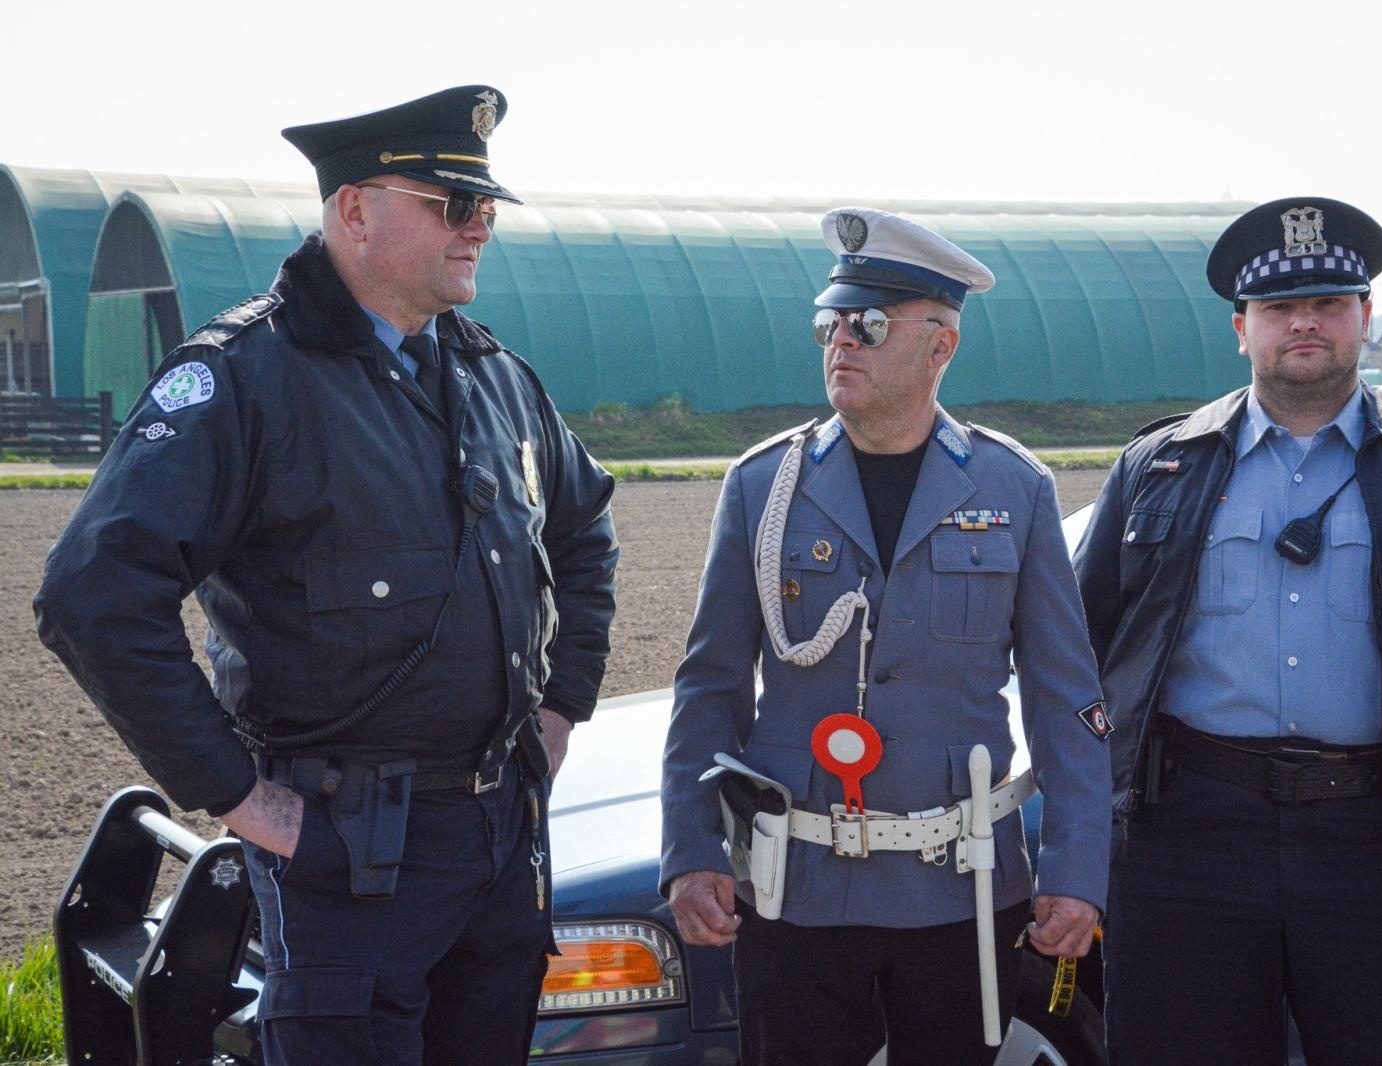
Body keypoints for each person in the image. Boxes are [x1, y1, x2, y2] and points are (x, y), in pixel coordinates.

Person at [35, 86, 619, 1066]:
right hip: (350, 855)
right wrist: (241, 800)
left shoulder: (496, 378)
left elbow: (584, 533)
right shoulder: (244, 380)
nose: (478, 229)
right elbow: (93, 595)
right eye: (449, 205)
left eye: (484, 208)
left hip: (498, 846)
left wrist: (560, 710)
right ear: (354, 209)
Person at [1072, 196, 1382, 1065]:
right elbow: (1078, 654)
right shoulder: (1161, 465)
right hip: (1188, 841)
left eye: (1328, 304)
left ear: (1366, 319)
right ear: (1242, 329)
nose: (1303, 324)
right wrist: (1103, 822)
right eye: (1278, 308)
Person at [660, 206, 1111, 1065]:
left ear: (940, 347)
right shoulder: (766, 485)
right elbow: (709, 685)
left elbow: (1067, 696)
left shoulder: (1012, 487)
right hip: (797, 892)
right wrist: (689, 849)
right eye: (830, 322)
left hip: (961, 893)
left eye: (868, 325)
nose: (842, 343)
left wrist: (1076, 869)